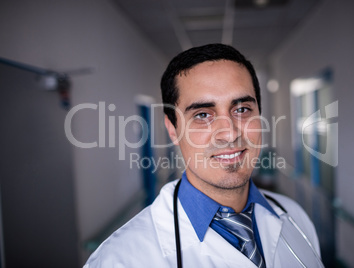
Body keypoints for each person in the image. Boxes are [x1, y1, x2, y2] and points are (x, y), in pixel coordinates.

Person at [84, 44, 324, 267]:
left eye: (242, 109)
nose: (229, 134)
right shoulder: (120, 260)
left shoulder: (296, 218)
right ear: (173, 129)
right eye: (202, 115)